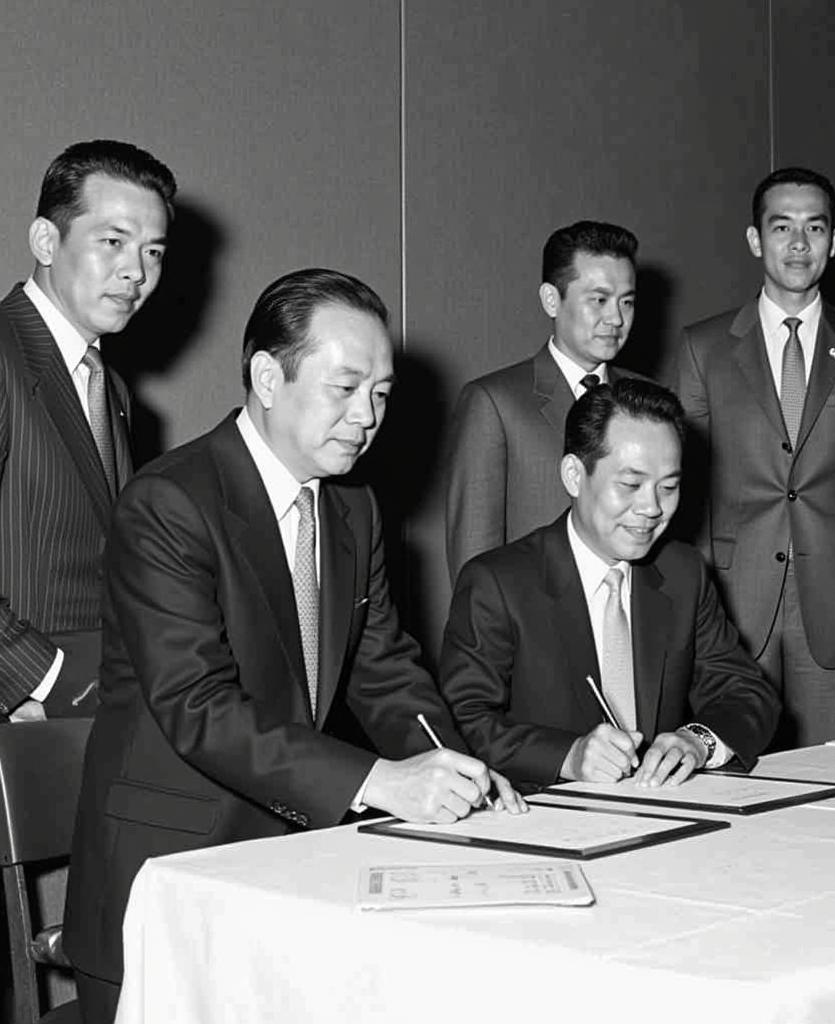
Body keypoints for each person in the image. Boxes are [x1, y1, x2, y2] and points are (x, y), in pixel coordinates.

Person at [64, 269, 523, 1023]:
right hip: (171, 875)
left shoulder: (353, 506)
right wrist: (382, 781)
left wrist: (454, 764)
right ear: (268, 377)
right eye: (344, 388)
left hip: (294, 865)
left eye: (380, 394)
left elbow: (384, 667)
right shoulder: (168, 501)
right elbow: (198, 707)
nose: (367, 416)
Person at [440, 378, 779, 789]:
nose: (652, 508)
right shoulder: (498, 584)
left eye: (668, 487)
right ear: (573, 475)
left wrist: (698, 741)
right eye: (630, 485)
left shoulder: (683, 572)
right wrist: (568, 756)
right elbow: (464, 721)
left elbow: (747, 693)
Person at [676, 167, 835, 749]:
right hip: (729, 604)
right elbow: (685, 494)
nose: (798, 243)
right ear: (756, 240)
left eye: (814, 227)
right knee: (732, 776)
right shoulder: (703, 349)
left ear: (834, 242)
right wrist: (690, 613)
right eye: (782, 227)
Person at [0, 139, 175, 721]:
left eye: (153, 251)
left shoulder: (111, 388)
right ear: (46, 241)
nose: (136, 271)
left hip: (92, 712)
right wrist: (42, 678)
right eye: (113, 242)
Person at [445, 220, 644, 582]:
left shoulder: (647, 400)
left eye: (626, 302)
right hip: (532, 627)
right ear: (552, 299)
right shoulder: (494, 403)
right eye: (598, 300)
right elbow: (473, 561)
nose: (616, 318)